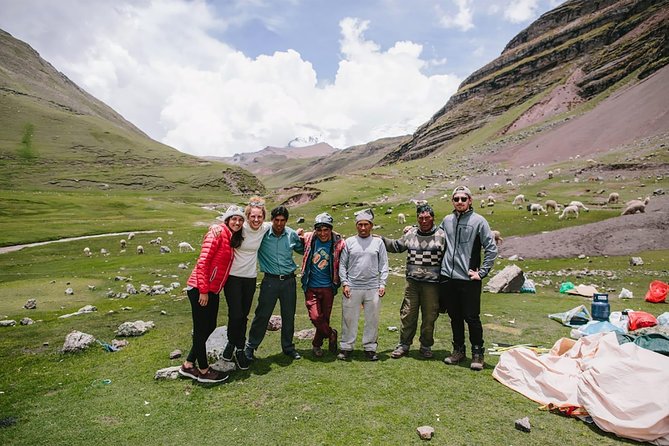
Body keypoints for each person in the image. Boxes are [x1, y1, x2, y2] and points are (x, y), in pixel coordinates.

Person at [179, 205, 245, 383]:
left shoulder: (230, 237)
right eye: (234, 219)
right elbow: (203, 262)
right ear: (227, 220)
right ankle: (203, 370)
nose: (237, 222)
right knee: (201, 329)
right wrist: (203, 290)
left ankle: (187, 365)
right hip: (201, 289)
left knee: (209, 327)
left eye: (240, 219)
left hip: (213, 290)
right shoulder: (217, 232)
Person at [439, 186, 498, 371]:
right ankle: (458, 351)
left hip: (468, 278)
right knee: (454, 316)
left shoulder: (479, 221)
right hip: (448, 276)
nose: (460, 202)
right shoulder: (447, 220)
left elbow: (491, 248)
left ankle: (478, 353)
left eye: (464, 199)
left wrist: (481, 273)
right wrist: (413, 229)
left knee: (471, 317)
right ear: (452, 201)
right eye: (456, 199)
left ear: (470, 200)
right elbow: (435, 236)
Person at [382, 203, 446, 359]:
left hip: (432, 284)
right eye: (421, 217)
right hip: (412, 282)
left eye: (427, 217)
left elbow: (449, 257)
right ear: (417, 218)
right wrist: (380, 239)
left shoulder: (442, 235)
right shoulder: (410, 234)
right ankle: (403, 345)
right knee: (408, 313)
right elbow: (396, 246)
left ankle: (426, 346)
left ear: (433, 218)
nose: (424, 221)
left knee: (429, 316)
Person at [245, 205, 304, 361]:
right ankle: (250, 346)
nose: (279, 224)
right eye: (276, 220)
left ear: (286, 221)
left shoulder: (291, 234)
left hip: (289, 281)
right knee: (262, 315)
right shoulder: (262, 234)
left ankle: (288, 347)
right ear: (271, 220)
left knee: (288, 315)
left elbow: (304, 249)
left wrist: (311, 235)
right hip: (270, 281)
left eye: (282, 220)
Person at [220, 197, 271, 371]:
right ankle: (232, 344)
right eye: (253, 217)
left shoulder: (265, 227)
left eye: (259, 217)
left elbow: (282, 226)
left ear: (263, 217)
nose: (256, 220)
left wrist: (304, 233)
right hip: (233, 278)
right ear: (247, 217)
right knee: (235, 314)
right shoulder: (239, 228)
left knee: (243, 315)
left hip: (250, 278)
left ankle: (238, 348)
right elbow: (222, 226)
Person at [338, 209, 389, 361]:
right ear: (356, 226)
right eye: (360, 224)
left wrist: (383, 283)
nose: (363, 227)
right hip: (352, 286)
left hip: (373, 287)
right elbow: (342, 264)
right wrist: (345, 283)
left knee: (372, 318)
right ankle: (346, 347)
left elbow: (384, 264)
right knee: (349, 318)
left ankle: (370, 348)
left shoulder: (378, 242)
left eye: (366, 224)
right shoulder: (349, 242)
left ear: (371, 225)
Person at [300, 212, 346, 357]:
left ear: (331, 229)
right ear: (315, 230)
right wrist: (297, 233)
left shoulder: (339, 243)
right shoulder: (309, 239)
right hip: (311, 285)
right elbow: (295, 240)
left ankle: (316, 345)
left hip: (328, 287)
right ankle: (331, 334)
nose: (322, 233)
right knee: (315, 317)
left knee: (324, 318)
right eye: (319, 229)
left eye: (326, 229)